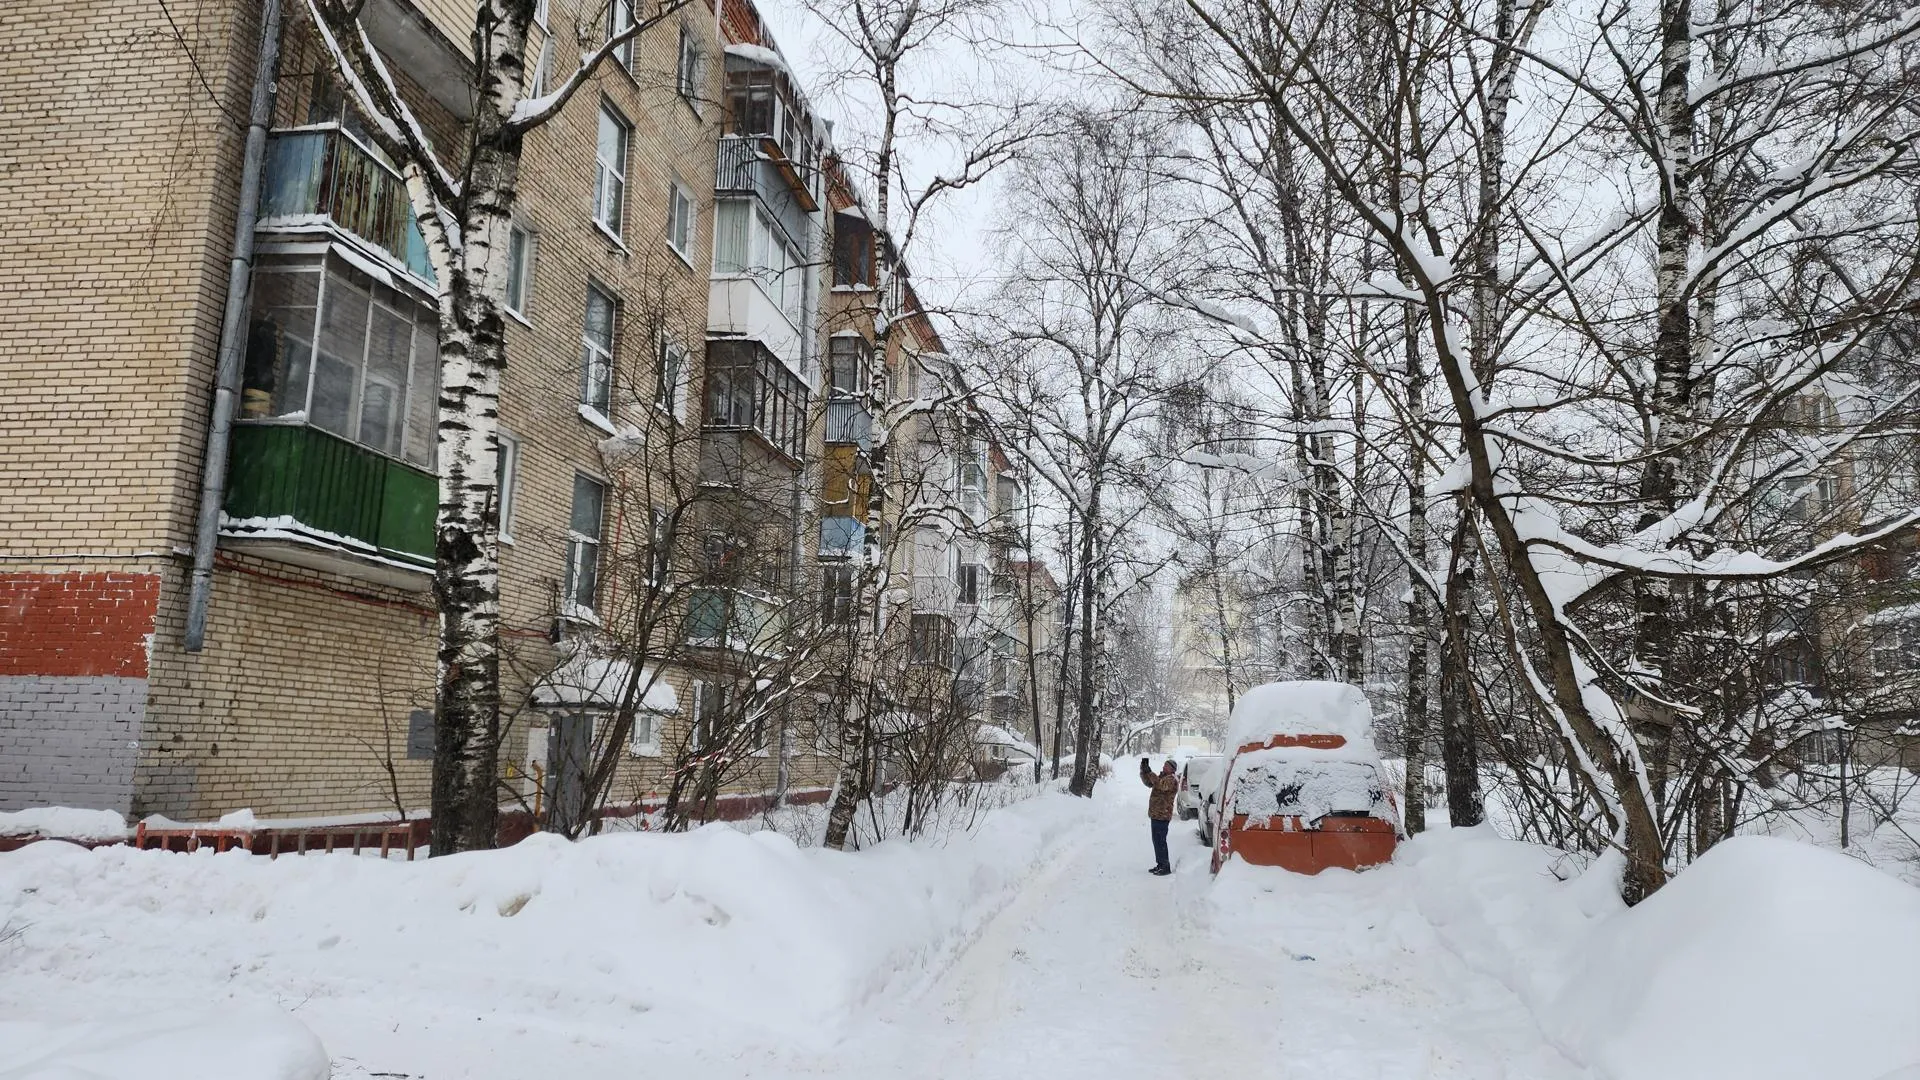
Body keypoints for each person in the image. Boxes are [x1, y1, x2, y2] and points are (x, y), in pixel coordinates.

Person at [1140, 757, 1179, 875]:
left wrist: (1150, 772)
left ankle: (1165, 866)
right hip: (1156, 814)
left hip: (1163, 815)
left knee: (1160, 841)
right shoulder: (1162, 777)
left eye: (1166, 766)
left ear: (1172, 769)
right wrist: (1144, 771)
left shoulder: (1172, 779)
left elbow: (1161, 785)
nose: (1163, 767)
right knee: (1156, 841)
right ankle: (1160, 864)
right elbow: (1149, 783)